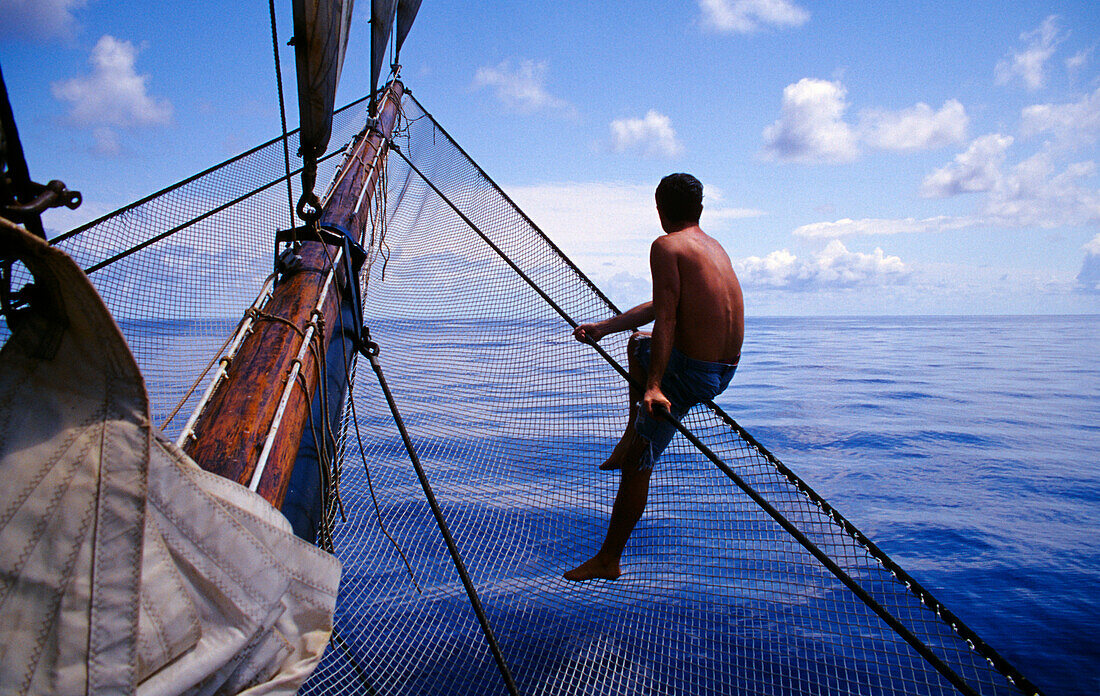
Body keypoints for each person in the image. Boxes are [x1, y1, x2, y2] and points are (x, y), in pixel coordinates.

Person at [564, 173, 744, 582]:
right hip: (725, 370)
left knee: (638, 464)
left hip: (690, 375)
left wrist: (654, 386)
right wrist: (604, 327)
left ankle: (609, 558)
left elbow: (667, 319)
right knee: (637, 342)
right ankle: (633, 434)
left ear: (660, 209)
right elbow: (664, 304)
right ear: (699, 210)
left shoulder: (665, 245)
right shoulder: (712, 246)